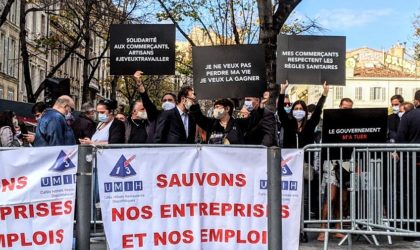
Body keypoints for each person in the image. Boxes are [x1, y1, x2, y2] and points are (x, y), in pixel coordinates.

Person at [317, 97, 354, 241]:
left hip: (346, 161)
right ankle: (322, 229)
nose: (347, 110)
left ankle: (338, 228)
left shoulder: (353, 123)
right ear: (340, 107)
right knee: (331, 197)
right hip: (331, 161)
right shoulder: (330, 120)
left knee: (343, 198)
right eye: (345, 108)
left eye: (350, 108)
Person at [277, 80, 328, 149]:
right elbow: (280, 110)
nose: (298, 110)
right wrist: (283, 90)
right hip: (291, 158)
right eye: (296, 109)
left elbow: (318, 110)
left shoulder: (310, 124)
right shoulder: (288, 123)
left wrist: (324, 93)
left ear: (305, 111)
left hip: (306, 159)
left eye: (301, 109)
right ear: (292, 111)